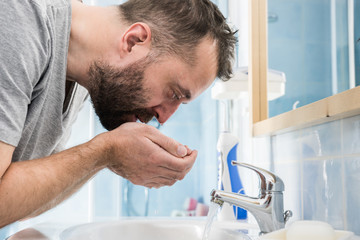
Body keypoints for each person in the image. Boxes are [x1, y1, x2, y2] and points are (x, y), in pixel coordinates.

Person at [0, 0, 236, 228]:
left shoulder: (87, 80)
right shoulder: (22, 19)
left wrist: (108, 157)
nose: (163, 118)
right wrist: (104, 151)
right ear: (134, 40)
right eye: (173, 94)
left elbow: (18, 205)